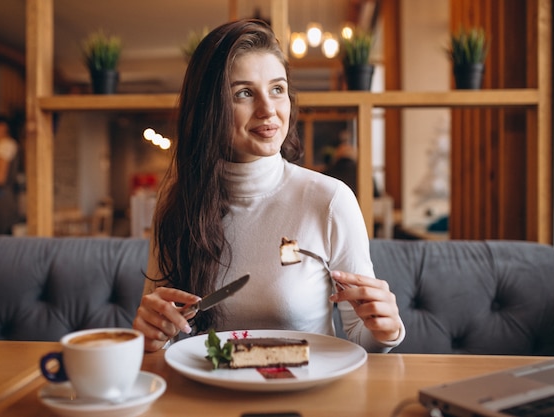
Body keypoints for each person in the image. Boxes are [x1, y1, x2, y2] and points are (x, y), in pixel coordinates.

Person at [133, 19, 405, 353]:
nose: (268, 110)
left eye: (277, 89)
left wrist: (385, 330)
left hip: (308, 394)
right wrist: (151, 334)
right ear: (208, 110)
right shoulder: (177, 203)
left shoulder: (330, 200)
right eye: (244, 93)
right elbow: (163, 336)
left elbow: (361, 336)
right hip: (211, 395)